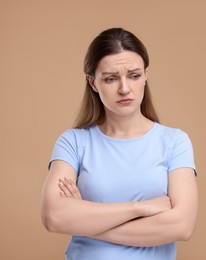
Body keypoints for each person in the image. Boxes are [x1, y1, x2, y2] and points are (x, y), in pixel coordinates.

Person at [40, 28, 198, 260]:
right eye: (111, 78)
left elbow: (181, 226)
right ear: (93, 83)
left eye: (134, 75)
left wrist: (85, 220)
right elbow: (53, 217)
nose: (124, 88)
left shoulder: (175, 142)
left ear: (146, 75)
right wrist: (139, 209)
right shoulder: (73, 142)